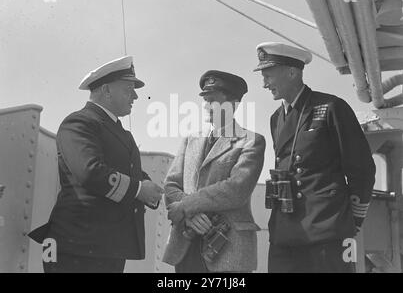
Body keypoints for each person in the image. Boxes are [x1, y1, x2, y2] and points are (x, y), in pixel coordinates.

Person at [29, 56, 164, 273]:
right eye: (129, 88)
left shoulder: (122, 134)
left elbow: (131, 172)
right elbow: (90, 172)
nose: (136, 96)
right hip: (75, 246)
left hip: (107, 247)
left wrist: (150, 189)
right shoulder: (79, 122)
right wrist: (139, 189)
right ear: (106, 90)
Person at [253, 42, 376, 273]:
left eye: (268, 75)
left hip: (326, 229)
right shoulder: (276, 118)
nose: (264, 83)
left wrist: (353, 220)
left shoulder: (331, 107)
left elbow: (362, 170)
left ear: (292, 72)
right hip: (284, 233)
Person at [162, 70, 265, 273]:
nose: (207, 106)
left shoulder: (251, 141)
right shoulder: (190, 139)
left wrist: (186, 206)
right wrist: (189, 215)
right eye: (205, 100)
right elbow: (171, 185)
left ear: (234, 104)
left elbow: (236, 189)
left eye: (213, 101)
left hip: (228, 248)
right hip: (187, 245)